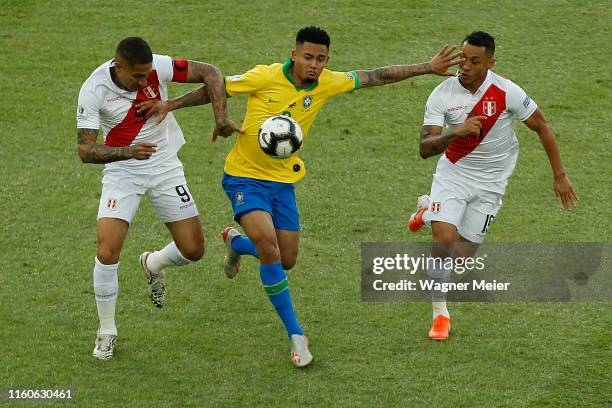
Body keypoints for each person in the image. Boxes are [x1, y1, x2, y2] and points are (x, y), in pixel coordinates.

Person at [137, 26, 460, 367]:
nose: (314, 65)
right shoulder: (265, 76)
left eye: (321, 59)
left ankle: (237, 245)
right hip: (244, 179)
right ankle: (296, 335)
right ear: (294, 55)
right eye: (308, 57)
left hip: (283, 183)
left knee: (285, 259)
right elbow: (217, 87)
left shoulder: (327, 83)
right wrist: (172, 104)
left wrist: (427, 66)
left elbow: (375, 76)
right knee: (270, 248)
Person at [407, 31, 578, 340]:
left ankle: (426, 210)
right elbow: (424, 148)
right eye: (463, 58)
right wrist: (455, 133)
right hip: (454, 174)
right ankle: (440, 315)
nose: (466, 66)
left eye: (475, 61)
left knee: (462, 256)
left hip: (491, 184)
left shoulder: (506, 91)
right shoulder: (442, 94)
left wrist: (559, 175)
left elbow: (542, 126)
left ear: (490, 63)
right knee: (443, 241)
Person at [76, 37, 239, 360]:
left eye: (148, 75)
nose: (145, 82)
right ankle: (106, 330)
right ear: (118, 66)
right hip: (123, 171)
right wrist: (127, 152)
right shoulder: (93, 90)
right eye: (137, 77)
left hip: (165, 166)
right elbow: (85, 150)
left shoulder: (156, 67)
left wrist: (220, 118)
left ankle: (153, 263)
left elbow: (212, 73)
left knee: (194, 250)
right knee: (107, 250)